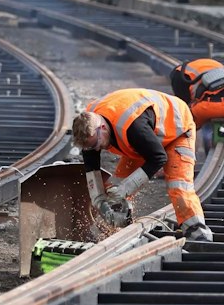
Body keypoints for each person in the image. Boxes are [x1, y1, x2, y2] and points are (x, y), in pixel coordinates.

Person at [71, 87, 211, 241]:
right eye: (91, 147)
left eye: (97, 144)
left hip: (177, 129)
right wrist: (99, 200)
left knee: (178, 186)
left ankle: (198, 233)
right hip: (141, 141)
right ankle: (122, 225)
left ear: (102, 127)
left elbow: (158, 158)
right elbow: (92, 169)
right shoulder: (89, 130)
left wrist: (125, 189)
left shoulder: (133, 127)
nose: (96, 150)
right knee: (114, 188)